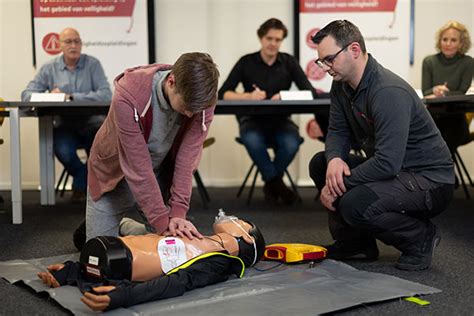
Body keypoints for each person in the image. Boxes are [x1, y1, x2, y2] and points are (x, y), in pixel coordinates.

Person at [308, 20, 455, 271]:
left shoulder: (388, 91)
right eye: (322, 61)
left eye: (329, 59)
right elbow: (337, 130)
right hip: (397, 170)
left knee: (354, 203)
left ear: (354, 50)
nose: (325, 67)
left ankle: (420, 238)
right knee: (321, 164)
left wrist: (337, 186)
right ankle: (356, 243)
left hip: (430, 180)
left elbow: (387, 162)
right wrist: (334, 160)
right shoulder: (341, 85)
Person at [85, 52, 219, 243]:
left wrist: (178, 213)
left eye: (196, 110)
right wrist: (163, 224)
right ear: (171, 82)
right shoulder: (128, 95)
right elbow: (138, 167)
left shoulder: (203, 100)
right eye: (187, 107)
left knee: (170, 247)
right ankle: (119, 226)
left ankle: (127, 227)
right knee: (99, 253)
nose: (190, 114)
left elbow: (187, 158)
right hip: (115, 172)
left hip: (159, 172)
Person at [37, 211, 265, 312]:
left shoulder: (219, 262)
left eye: (241, 221)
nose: (231, 217)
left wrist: (124, 294)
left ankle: (86, 268)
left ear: (245, 236)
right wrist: (75, 270)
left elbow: (177, 283)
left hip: (116, 263)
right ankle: (79, 268)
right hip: (107, 251)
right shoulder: (200, 236)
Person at [218, 18, 319, 204]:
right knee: (252, 139)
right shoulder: (246, 62)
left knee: (291, 143)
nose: (273, 43)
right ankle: (278, 185)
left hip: (281, 121)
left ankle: (271, 184)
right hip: (252, 120)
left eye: (278, 39)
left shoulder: (289, 62)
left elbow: (309, 93)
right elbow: (224, 93)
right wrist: (247, 96)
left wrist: (284, 96)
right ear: (261, 38)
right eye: (269, 38)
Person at [21, 27, 112, 201]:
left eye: (77, 41)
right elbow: (26, 94)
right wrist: (48, 97)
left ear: (81, 44)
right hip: (65, 126)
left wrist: (69, 97)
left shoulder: (93, 64)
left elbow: (106, 94)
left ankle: (80, 185)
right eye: (68, 41)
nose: (73, 45)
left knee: (103, 151)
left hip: (94, 124)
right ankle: (82, 181)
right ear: (60, 45)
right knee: (63, 151)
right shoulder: (49, 68)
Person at [421, 20, 474, 155]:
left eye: (453, 40)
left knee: (445, 143)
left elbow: (461, 92)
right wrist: (433, 90)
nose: (448, 44)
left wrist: (441, 95)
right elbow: (425, 91)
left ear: (461, 43)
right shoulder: (429, 61)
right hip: (433, 118)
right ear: (440, 41)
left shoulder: (468, 62)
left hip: (455, 119)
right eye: (445, 39)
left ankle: (444, 174)